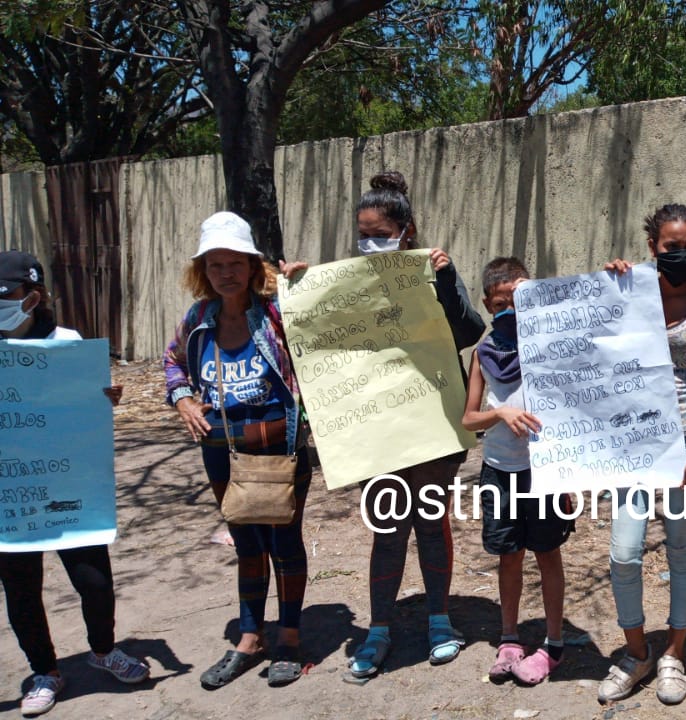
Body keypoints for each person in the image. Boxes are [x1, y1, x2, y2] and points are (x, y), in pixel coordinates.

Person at [345, 171, 485, 681]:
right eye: (361, 233)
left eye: (378, 232)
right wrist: (296, 282)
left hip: (431, 423)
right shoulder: (345, 283)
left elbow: (469, 330)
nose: (368, 242)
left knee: (430, 522)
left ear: (405, 231)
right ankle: (378, 629)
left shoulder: (433, 269)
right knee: (387, 527)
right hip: (377, 426)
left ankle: (440, 621)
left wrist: (446, 282)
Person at [163, 212, 312, 689]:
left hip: (277, 446)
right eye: (214, 264)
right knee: (246, 543)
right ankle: (250, 639)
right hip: (221, 450)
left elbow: (328, 337)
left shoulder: (276, 313)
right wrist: (182, 397)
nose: (224, 272)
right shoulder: (197, 319)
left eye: (234, 263)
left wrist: (304, 288)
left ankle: (288, 637)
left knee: (284, 544)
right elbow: (172, 363)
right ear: (202, 271)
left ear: (252, 266)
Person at [0, 251, 149, 716]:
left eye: (5, 295)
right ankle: (45, 671)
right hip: (11, 496)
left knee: (94, 581)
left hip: (71, 489)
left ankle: (103, 650)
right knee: (22, 591)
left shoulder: (66, 342)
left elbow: (86, 407)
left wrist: (105, 396)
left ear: (32, 297)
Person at [597, 203, 686, 705]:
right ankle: (637, 652)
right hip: (633, 441)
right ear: (652, 246)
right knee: (624, 552)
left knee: (681, 551)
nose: (682, 254)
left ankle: (674, 651)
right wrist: (608, 285)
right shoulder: (630, 293)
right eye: (671, 246)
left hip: (685, 444)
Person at [462, 256, 573, 686]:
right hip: (499, 471)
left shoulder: (551, 347)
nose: (510, 308)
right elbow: (469, 418)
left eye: (520, 298)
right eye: (501, 301)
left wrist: (567, 476)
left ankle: (555, 642)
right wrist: (501, 413)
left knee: (548, 553)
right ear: (489, 304)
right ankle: (509, 638)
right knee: (508, 555)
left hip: (544, 472)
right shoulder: (483, 355)